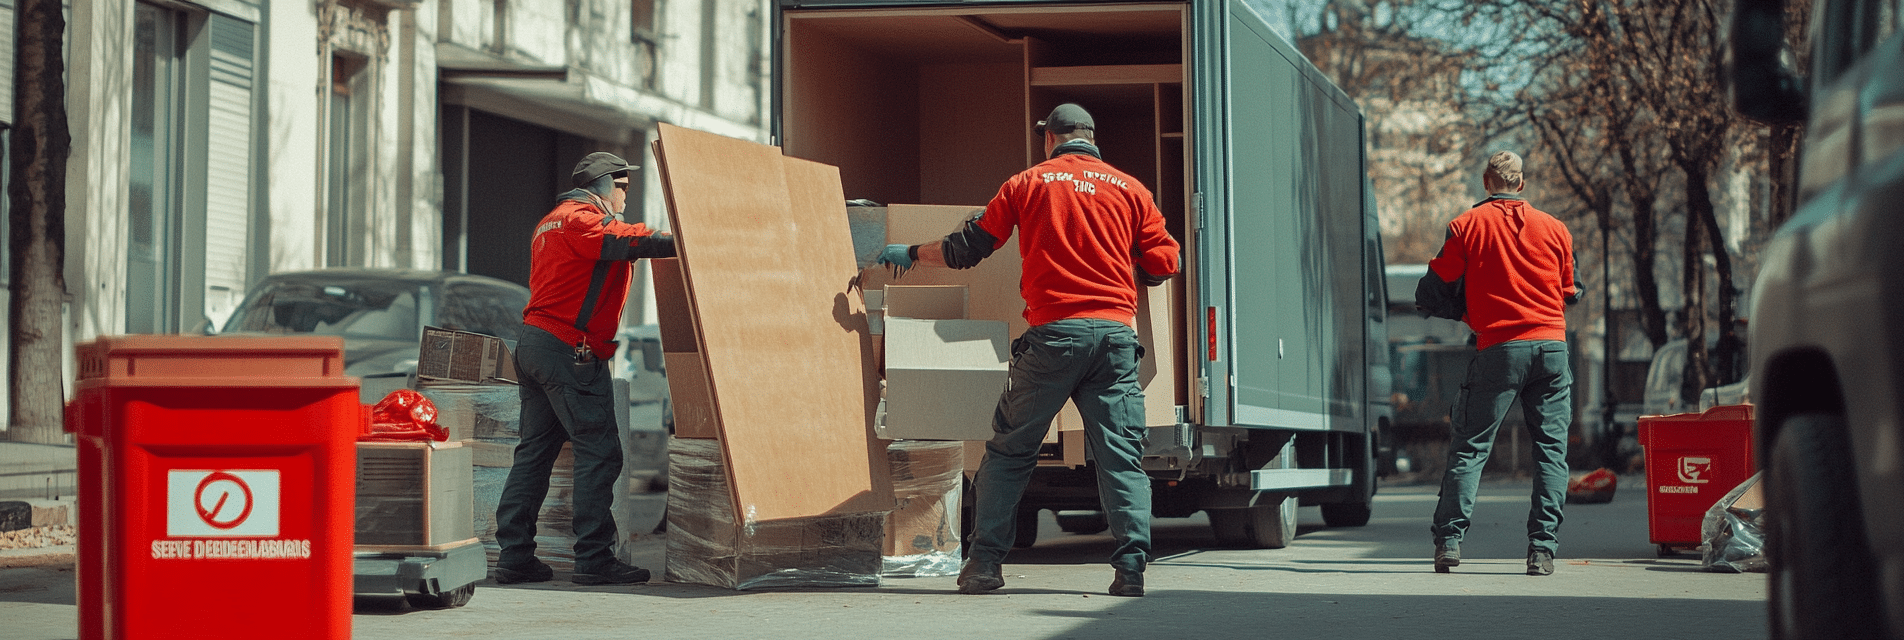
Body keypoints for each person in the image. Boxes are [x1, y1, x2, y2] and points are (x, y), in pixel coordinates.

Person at [876, 103, 1180, 597]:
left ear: (1050, 139)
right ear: (1092, 138)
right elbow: (1166, 262)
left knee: (1011, 452)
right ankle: (1129, 572)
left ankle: (983, 567)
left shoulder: (1026, 184)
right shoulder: (1132, 189)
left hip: (1054, 339)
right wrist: (1131, 265)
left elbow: (966, 249)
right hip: (1115, 341)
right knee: (1120, 457)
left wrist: (909, 253)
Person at [493, 151, 677, 585]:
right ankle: (594, 559)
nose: (625, 196)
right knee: (600, 451)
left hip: (537, 345)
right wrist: (686, 239)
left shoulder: (549, 221)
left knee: (535, 454)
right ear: (600, 183)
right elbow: (629, 241)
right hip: (567, 350)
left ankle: (515, 556)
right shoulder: (581, 219)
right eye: (622, 186)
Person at [1419, 150, 1578, 576]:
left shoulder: (1466, 226)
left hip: (1499, 349)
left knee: (1470, 448)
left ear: (1486, 183)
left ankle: (1449, 544)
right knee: (1551, 452)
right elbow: (1569, 289)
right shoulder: (1557, 229)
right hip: (1552, 349)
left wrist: (1466, 312)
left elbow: (1432, 291)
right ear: (1521, 185)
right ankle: (1541, 551)